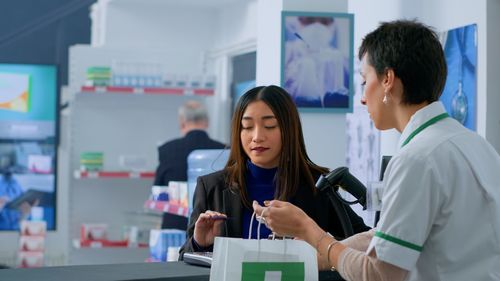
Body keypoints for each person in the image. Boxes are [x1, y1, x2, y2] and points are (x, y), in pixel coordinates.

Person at [253, 20, 500, 281]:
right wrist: (318, 256)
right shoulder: (476, 145)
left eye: (363, 80)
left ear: (387, 80)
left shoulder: (417, 159)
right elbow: (384, 237)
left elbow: (379, 274)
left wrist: (311, 231)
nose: (361, 97)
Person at [179, 85, 369, 257]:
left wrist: (317, 242)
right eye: (247, 127)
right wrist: (199, 244)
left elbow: (366, 244)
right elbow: (183, 260)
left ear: (289, 129)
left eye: (269, 126)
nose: (257, 137)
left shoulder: (318, 186)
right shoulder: (211, 186)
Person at [154, 100, 225, 230]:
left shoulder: (167, 149)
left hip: (175, 226)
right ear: (207, 122)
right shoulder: (223, 150)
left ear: (182, 123)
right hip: (212, 225)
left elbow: (159, 191)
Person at [284, 16, 349, 108]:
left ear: (334, 25)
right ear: (296, 23)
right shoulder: (285, 53)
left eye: (325, 21)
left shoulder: (342, 60)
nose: (317, 26)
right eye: (308, 20)